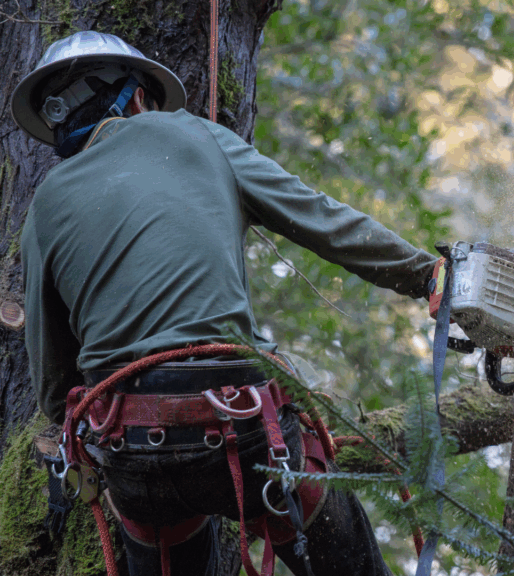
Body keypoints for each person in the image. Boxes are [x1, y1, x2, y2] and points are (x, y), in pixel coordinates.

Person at [11, 30, 438, 576]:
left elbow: (53, 381)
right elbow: (322, 219)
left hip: (132, 446)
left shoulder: (43, 205)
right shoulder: (199, 135)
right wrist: (426, 274)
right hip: (246, 427)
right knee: (345, 550)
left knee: (162, 535)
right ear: (139, 96)